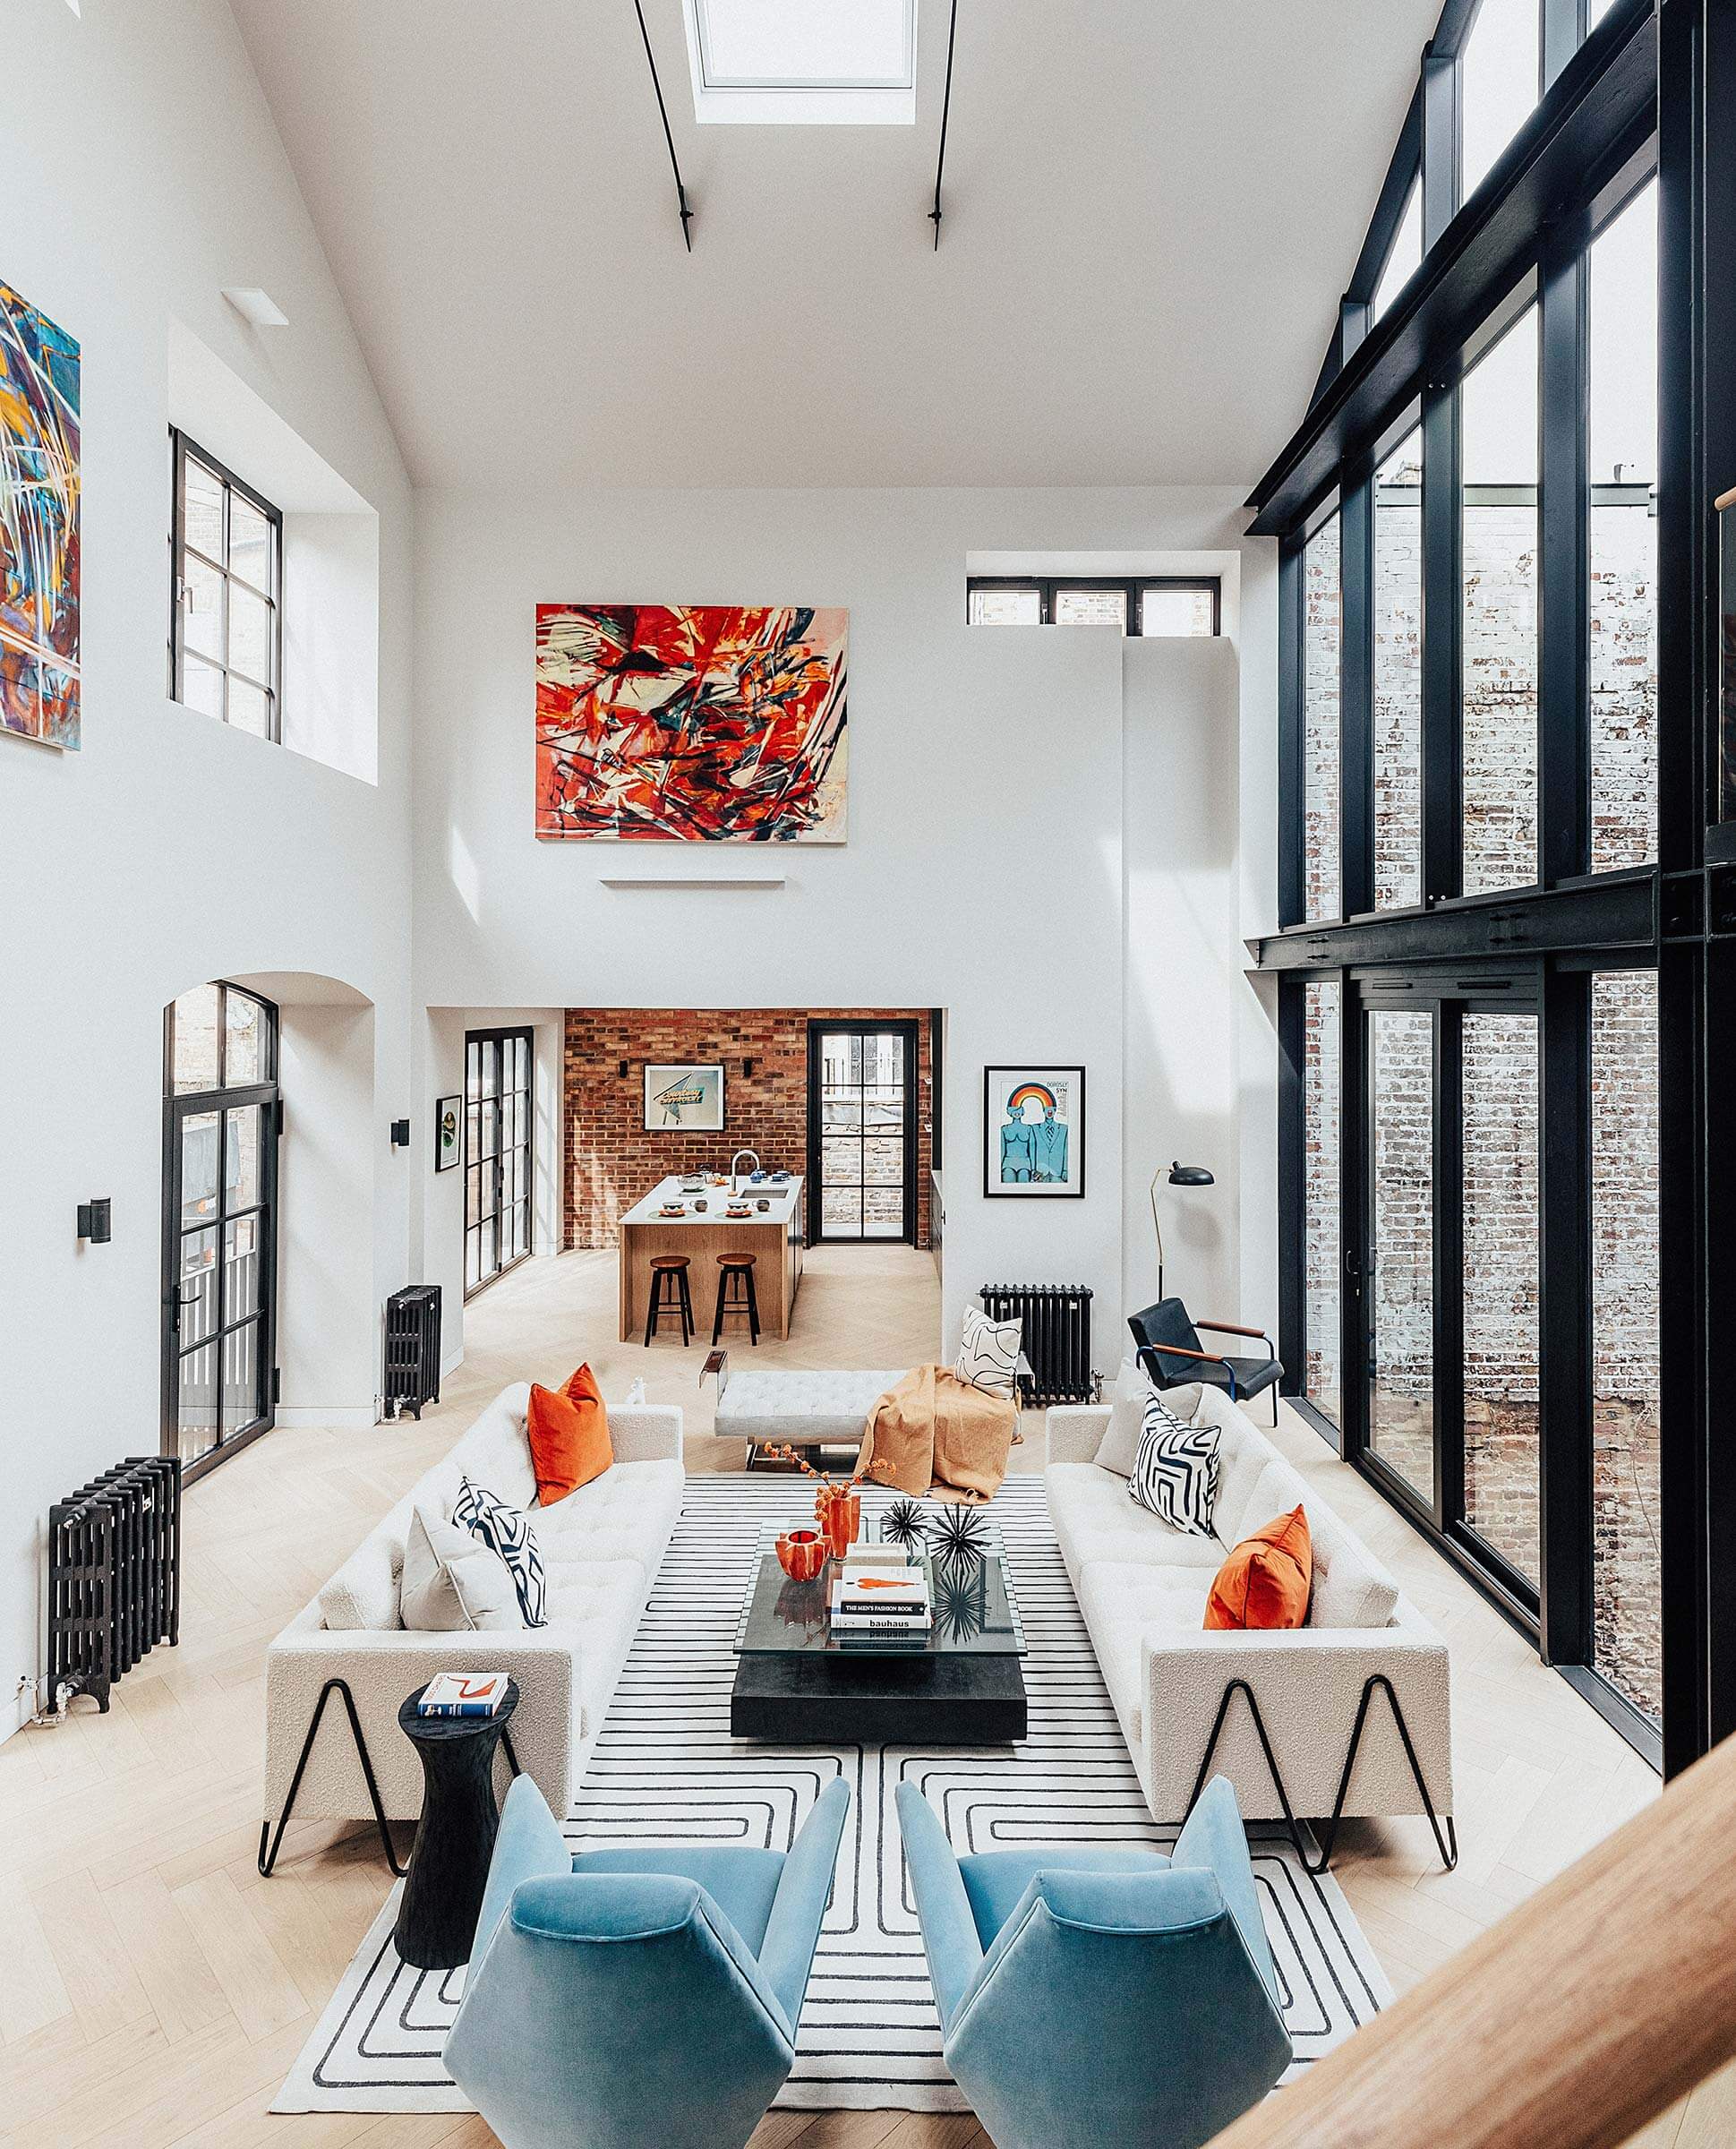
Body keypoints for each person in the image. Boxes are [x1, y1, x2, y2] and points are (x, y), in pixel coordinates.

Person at [1031, 1101, 1069, 1185]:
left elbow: (1066, 1151)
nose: (1049, 1112)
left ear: (1055, 1110)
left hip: (1058, 1170)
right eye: (1047, 1109)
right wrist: (1033, 1169)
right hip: (1040, 1172)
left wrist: (1065, 1169)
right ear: (1043, 1110)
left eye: (1052, 1109)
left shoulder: (1064, 1128)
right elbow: (1032, 1149)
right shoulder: (1035, 1128)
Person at [1000, 1100, 1035, 1183]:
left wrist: (1033, 1168)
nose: (1017, 1112)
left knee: (1023, 1190)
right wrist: (998, 1167)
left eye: (1019, 1109)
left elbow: (1032, 1150)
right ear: (1009, 1112)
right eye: (1014, 1110)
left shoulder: (1028, 1128)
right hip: (1008, 1162)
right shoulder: (1004, 1129)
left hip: (1025, 1163)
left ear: (1022, 1111)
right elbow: (1002, 1149)